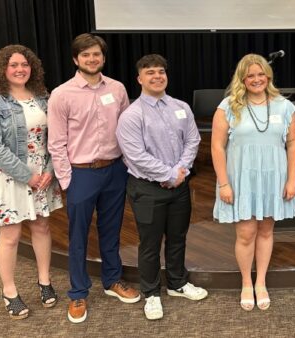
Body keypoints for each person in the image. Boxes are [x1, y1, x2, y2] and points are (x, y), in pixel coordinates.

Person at [47, 33, 139, 324]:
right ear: (76, 59)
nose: (91, 59)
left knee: (112, 231)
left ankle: (112, 280)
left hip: (114, 170)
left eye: (96, 54)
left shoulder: (118, 88)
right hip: (81, 174)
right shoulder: (62, 94)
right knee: (78, 236)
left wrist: (128, 165)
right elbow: (56, 142)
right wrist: (67, 180)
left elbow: (128, 130)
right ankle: (77, 293)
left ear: (103, 57)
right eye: (85, 55)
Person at [116, 54, 208, 320]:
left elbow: (193, 140)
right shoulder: (131, 115)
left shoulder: (181, 107)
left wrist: (180, 171)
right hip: (147, 189)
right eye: (150, 73)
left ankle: (178, 283)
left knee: (178, 238)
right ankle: (152, 293)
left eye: (160, 72)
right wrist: (169, 174)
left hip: (179, 186)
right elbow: (135, 155)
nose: (157, 77)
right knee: (149, 243)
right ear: (139, 79)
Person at [0, 44, 63, 319]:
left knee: (42, 226)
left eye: (24, 64)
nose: (19, 69)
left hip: (43, 174)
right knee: (11, 235)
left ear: (32, 68)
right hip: (9, 176)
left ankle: (45, 282)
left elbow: (55, 139)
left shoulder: (43, 98)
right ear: (3, 69)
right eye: (13, 65)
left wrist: (48, 169)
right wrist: (29, 176)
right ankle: (10, 291)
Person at [211, 53, 295, 311]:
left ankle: (261, 282)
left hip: (274, 178)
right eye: (250, 75)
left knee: (266, 231)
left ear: (268, 76)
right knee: (246, 232)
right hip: (241, 179)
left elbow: (293, 144)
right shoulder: (227, 106)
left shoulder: (284, 106)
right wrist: (224, 183)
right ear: (242, 79)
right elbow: (217, 147)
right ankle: (246, 282)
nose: (257, 79)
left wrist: (292, 179)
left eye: (261, 74)